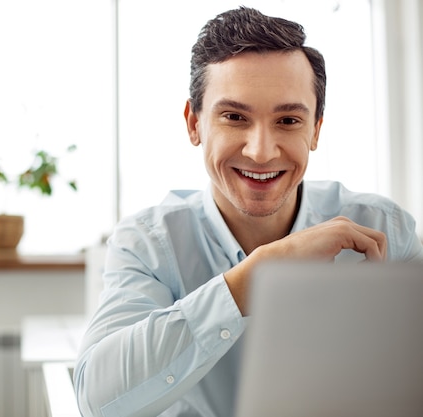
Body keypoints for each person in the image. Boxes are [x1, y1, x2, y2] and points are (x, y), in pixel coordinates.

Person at [73, 6, 423, 417]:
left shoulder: (385, 229)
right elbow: (98, 401)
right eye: (235, 117)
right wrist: (247, 281)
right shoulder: (148, 243)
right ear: (194, 124)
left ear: (315, 130)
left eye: (289, 120)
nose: (260, 151)